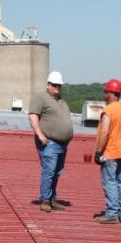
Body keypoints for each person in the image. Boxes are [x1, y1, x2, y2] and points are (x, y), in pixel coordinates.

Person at [29, 70, 74, 212]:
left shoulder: (61, 101)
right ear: (48, 84)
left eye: (59, 85)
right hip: (49, 142)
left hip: (62, 144)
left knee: (57, 172)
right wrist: (41, 135)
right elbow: (33, 116)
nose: (57, 87)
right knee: (49, 171)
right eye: (54, 85)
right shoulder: (41, 98)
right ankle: (45, 199)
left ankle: (52, 198)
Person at [93, 79, 121, 224]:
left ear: (110, 93)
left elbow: (105, 132)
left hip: (111, 151)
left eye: (105, 92)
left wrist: (98, 151)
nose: (104, 94)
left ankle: (112, 213)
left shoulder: (108, 110)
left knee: (110, 182)